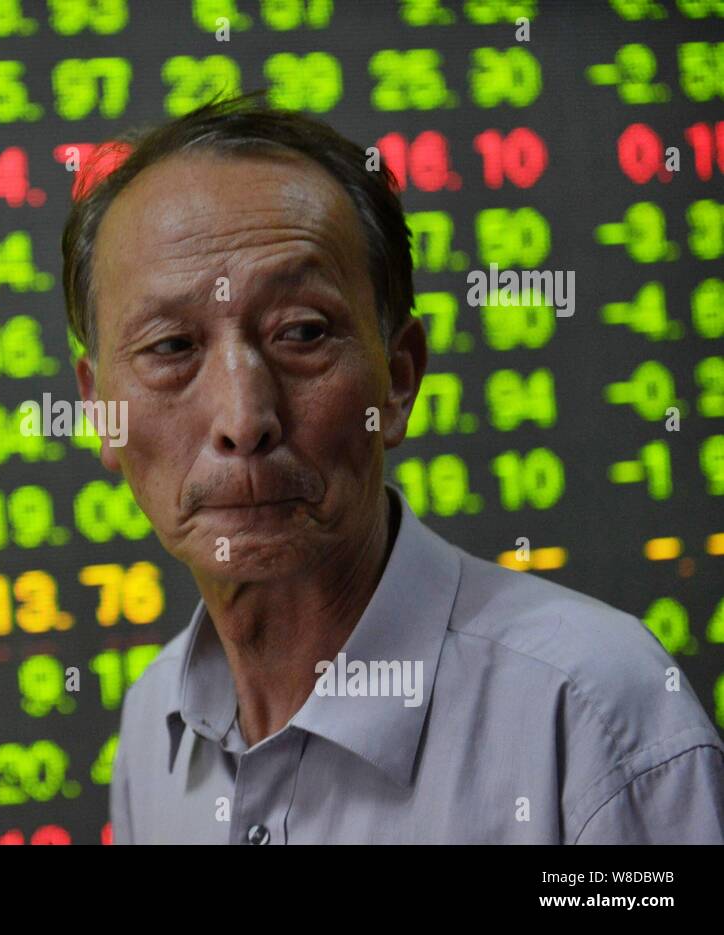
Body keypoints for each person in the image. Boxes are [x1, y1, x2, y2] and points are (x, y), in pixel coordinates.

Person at [60, 94, 724, 844]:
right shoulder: (155, 728)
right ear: (100, 410)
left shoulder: (594, 719)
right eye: (173, 347)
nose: (244, 420)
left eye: (303, 332)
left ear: (399, 378)